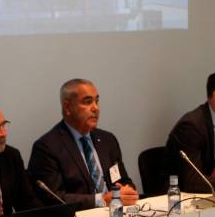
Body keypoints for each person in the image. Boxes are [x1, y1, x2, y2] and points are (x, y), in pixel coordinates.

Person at [28, 78, 138, 209]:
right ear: (67, 107)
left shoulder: (108, 140)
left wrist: (128, 191)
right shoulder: (47, 147)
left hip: (116, 213)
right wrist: (101, 200)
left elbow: (122, 180)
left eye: (97, 101)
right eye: (87, 102)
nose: (95, 108)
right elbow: (53, 197)